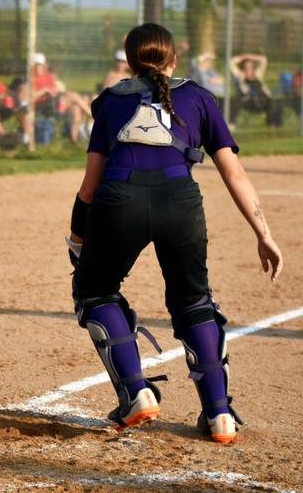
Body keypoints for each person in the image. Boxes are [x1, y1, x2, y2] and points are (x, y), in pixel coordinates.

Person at [66, 23, 283, 445]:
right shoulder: (200, 97)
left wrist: (78, 236)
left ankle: (136, 393)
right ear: (174, 59)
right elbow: (232, 171)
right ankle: (219, 413)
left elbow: (89, 188)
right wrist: (264, 232)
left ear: (129, 62)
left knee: (95, 291)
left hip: (118, 201)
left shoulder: (110, 101)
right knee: (192, 300)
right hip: (179, 203)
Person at [229, 53, 283, 128]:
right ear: (243, 68)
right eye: (246, 67)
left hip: (263, 101)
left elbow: (264, 59)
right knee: (236, 101)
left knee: (276, 102)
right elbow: (231, 62)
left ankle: (274, 126)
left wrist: (250, 56)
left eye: (251, 67)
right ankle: (231, 125)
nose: (249, 69)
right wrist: (243, 57)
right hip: (250, 103)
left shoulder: (258, 74)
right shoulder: (240, 75)